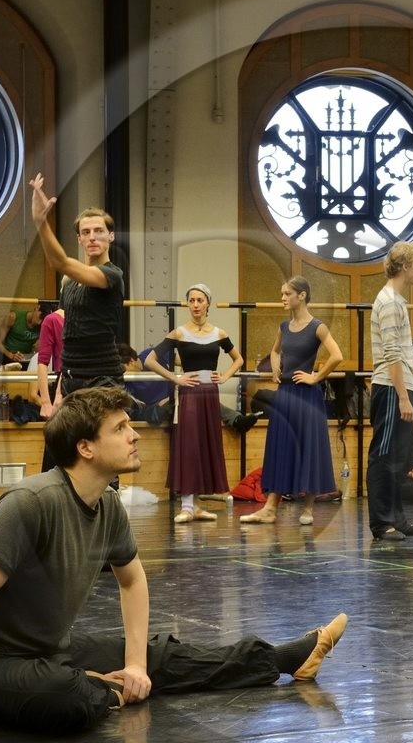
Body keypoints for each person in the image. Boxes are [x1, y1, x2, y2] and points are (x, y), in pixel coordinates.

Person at [0, 385, 350, 740]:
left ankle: (287, 658)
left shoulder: (108, 507)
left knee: (159, 655)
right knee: (64, 698)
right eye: (120, 429)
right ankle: (86, 684)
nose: (134, 436)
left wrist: (134, 664)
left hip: (49, 651)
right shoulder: (30, 502)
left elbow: (133, 581)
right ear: (85, 447)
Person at [242, 277, 343, 526]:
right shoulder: (284, 327)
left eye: (287, 294)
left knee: (308, 447)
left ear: (302, 296)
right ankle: (269, 508)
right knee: (281, 447)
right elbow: (275, 351)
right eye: (282, 294)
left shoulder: (317, 327)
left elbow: (337, 355)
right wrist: (276, 369)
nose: (283, 298)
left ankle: (308, 508)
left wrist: (316, 377)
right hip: (285, 395)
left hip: (306, 397)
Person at [144, 283, 243, 523]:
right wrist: (176, 378)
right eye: (192, 301)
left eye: (200, 300)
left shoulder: (219, 333)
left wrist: (226, 375)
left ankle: (196, 505)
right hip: (189, 393)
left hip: (210, 394)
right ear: (188, 304)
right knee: (189, 444)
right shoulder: (179, 332)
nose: (196, 305)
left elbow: (238, 359)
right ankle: (187, 505)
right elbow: (150, 360)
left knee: (206, 444)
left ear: (208, 303)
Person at [28, 178, 125, 400]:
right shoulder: (67, 282)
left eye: (99, 230)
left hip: (103, 377)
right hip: (71, 375)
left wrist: (41, 222)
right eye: (86, 232)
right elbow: (70, 335)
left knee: (105, 436)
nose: (92, 237)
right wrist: (60, 388)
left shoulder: (112, 275)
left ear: (110, 236)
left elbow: (59, 261)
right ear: (79, 239)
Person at [367, 241, 413, 541]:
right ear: (404, 266)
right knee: (384, 456)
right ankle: (381, 522)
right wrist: (403, 396)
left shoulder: (397, 301)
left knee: (399, 459)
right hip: (391, 389)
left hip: (400, 388)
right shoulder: (389, 302)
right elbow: (391, 354)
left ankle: (396, 517)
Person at [35, 306, 64, 418]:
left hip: (93, 382)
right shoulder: (52, 320)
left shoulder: (91, 317)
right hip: (65, 383)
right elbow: (42, 361)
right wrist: (46, 402)